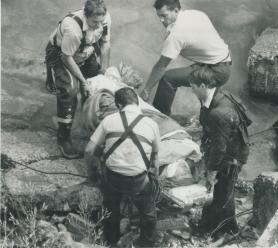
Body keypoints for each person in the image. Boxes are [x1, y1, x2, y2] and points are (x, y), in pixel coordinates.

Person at [84, 87, 162, 247]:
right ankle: (146, 242)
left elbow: (88, 150)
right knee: (148, 211)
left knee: (111, 208)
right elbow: (155, 160)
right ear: (137, 103)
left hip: (113, 178)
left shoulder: (108, 120)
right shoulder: (152, 124)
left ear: (119, 105)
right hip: (138, 181)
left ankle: (111, 240)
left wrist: (92, 173)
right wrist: (155, 179)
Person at [188, 66, 251, 238]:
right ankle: (229, 227)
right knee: (225, 191)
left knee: (221, 193)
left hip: (231, 157)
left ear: (202, 86)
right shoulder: (216, 96)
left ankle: (212, 229)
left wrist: (211, 172)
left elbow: (220, 148)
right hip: (230, 148)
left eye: (193, 87)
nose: (192, 90)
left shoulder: (220, 112)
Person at [138, 0, 231, 116]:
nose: (161, 20)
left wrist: (146, 90)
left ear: (176, 10)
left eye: (164, 15)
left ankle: (160, 117)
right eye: (159, 16)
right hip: (223, 61)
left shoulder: (176, 35)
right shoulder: (196, 14)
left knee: (167, 78)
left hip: (215, 71)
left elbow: (161, 66)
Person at [45, 0, 111, 159]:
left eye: (101, 21)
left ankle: (90, 124)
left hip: (85, 50)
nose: (98, 25)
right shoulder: (73, 28)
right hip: (62, 54)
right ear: (85, 15)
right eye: (94, 22)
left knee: (97, 84)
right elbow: (67, 58)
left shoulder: (105, 19)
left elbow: (105, 43)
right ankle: (63, 138)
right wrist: (82, 81)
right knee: (69, 91)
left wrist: (104, 69)